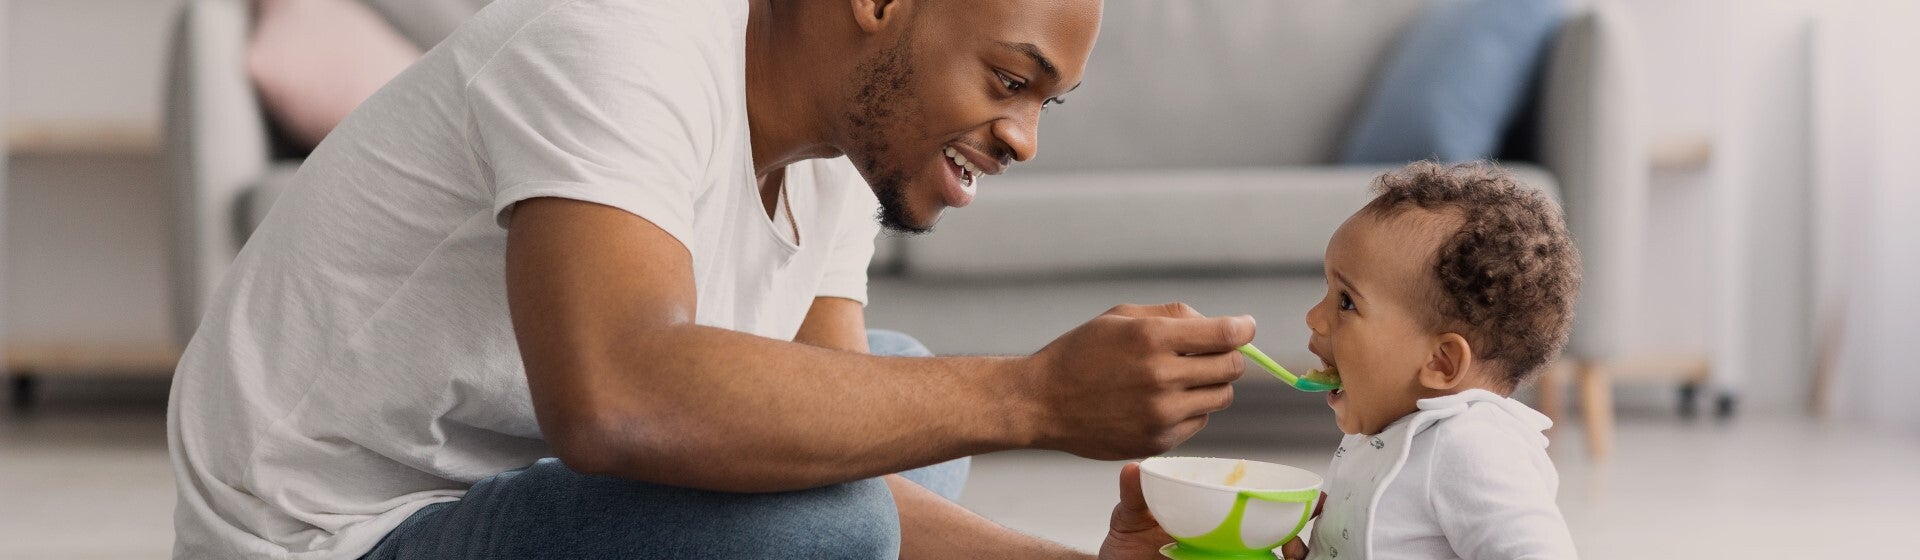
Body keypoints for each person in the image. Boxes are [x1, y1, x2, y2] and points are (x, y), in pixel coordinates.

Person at [167, 0, 1252, 558]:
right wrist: (1038, 395)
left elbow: (850, 467)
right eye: (1011, 79)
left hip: (516, 491)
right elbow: (617, 398)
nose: (1021, 137)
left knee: (892, 396)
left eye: (1044, 103)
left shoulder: (833, 158)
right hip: (334, 535)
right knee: (840, 513)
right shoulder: (620, 37)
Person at [1294, 162, 1580, 559]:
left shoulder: (1469, 444)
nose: (1314, 317)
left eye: (1346, 301)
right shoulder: (1391, 431)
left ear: (1442, 362)